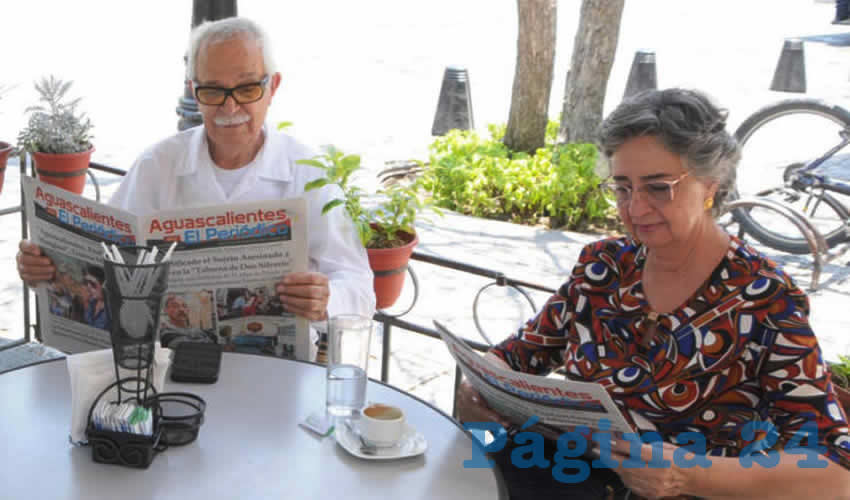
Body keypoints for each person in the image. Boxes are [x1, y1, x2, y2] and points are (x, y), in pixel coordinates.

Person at [456, 88, 850, 499]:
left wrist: (687, 474)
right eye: (623, 187)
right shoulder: (605, 265)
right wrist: (478, 386)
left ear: (709, 186)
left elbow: (833, 474)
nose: (635, 208)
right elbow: (521, 353)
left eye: (658, 187)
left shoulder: (762, 295)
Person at [16, 17, 375, 345]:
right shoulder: (158, 165)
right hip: (169, 366)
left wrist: (327, 299)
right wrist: (44, 272)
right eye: (213, 91)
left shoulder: (309, 173)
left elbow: (361, 291)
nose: (230, 108)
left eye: (247, 89)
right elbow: (105, 265)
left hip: (281, 373)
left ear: (273, 86)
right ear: (193, 91)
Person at [82, 266, 109, 330]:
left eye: (93, 284)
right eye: (86, 282)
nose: (88, 288)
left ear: (104, 286)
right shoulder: (92, 301)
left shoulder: (111, 313)